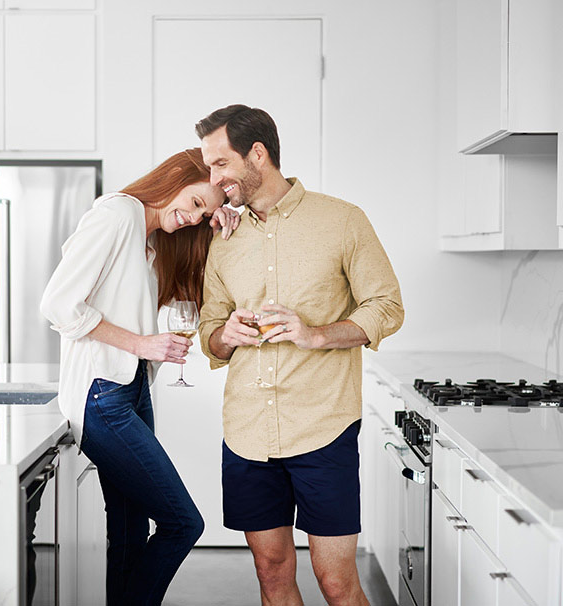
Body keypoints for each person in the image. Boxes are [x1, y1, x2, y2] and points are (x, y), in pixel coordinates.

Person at [196, 105, 405, 606]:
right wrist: (225, 335)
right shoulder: (223, 237)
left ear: (258, 155)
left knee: (336, 582)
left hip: (322, 429)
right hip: (248, 433)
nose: (213, 177)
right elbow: (209, 328)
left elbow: (387, 306)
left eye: (220, 164)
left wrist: (315, 335)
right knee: (271, 574)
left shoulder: (342, 220)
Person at [40, 147, 240, 606]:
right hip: (101, 396)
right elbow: (58, 304)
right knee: (183, 523)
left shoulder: (151, 239)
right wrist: (141, 344)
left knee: (129, 529)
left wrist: (219, 233)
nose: (193, 217)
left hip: (130, 391)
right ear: (173, 177)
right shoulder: (118, 215)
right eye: (195, 203)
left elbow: (192, 293)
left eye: (204, 212)